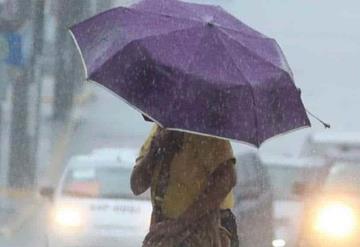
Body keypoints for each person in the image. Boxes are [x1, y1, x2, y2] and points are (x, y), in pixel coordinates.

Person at [131, 124, 237, 247]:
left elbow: (227, 178)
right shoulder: (158, 132)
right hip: (167, 231)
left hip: (202, 231)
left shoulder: (203, 131)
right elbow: (137, 185)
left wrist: (181, 223)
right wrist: (155, 149)